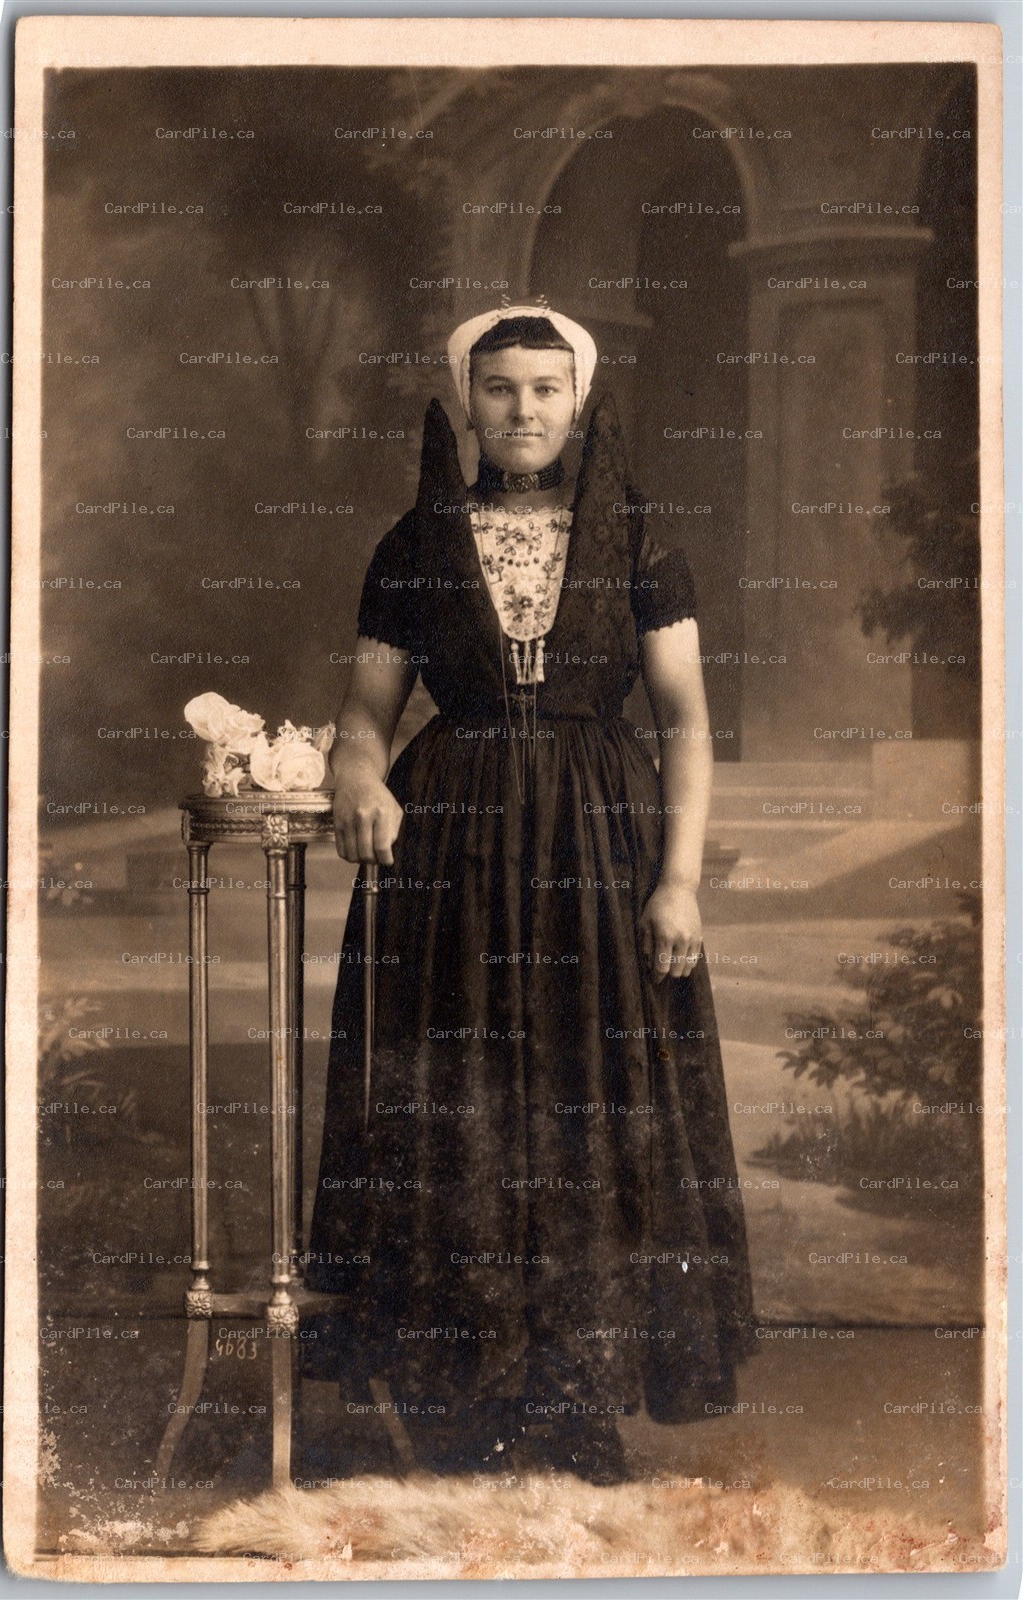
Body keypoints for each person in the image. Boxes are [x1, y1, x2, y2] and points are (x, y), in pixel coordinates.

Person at [306, 301, 755, 1484]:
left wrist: (679, 881)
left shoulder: (641, 537)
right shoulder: (412, 544)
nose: (522, 411)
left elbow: (685, 720)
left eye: (544, 390)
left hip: (600, 848)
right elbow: (364, 715)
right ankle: (465, 1389)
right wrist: (358, 775)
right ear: (467, 403)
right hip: (446, 855)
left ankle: (574, 1393)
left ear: (577, 400)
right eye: (499, 389)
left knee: (587, 1099)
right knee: (458, 1099)